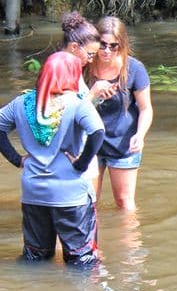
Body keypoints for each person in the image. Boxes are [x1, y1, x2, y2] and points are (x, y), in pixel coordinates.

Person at [0, 52, 105, 266]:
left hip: (33, 194)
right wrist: (81, 164)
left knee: (35, 258)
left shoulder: (21, 103)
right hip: (71, 195)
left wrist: (17, 159)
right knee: (82, 260)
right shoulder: (78, 105)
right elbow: (98, 132)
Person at [84, 16, 153, 211]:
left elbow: (146, 109)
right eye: (102, 44)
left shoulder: (134, 69)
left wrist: (140, 135)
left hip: (123, 143)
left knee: (124, 202)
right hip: (90, 143)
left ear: (121, 45)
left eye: (113, 46)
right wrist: (94, 93)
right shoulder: (86, 65)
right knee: (88, 202)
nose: (106, 51)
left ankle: (129, 241)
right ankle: (89, 241)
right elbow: (74, 107)